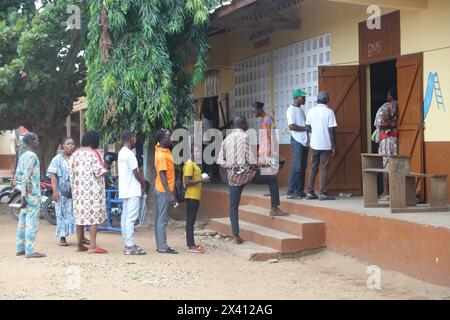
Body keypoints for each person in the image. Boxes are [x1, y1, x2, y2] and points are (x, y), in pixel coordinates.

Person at [217, 116, 287, 245]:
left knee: (233, 206)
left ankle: (236, 236)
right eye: (246, 122)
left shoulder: (226, 139)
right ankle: (274, 208)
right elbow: (252, 161)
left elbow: (220, 160)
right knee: (272, 179)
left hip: (234, 176)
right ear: (243, 124)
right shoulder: (244, 137)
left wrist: (232, 167)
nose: (248, 124)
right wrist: (269, 164)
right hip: (248, 173)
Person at [69, 131, 109, 254]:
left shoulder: (75, 154)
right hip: (93, 192)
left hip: (78, 192)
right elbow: (98, 171)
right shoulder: (95, 153)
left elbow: (70, 173)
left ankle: (80, 245)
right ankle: (92, 246)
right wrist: (106, 171)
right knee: (93, 218)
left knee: (80, 218)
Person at [47, 137, 83, 247]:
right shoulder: (57, 159)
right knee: (61, 214)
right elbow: (53, 175)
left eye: (72, 144)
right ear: (63, 146)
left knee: (76, 215)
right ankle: (62, 237)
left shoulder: (76, 158)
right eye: (68, 144)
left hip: (75, 193)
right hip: (61, 193)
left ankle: (81, 238)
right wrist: (55, 192)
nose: (71, 146)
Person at [15, 132, 45, 258]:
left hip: (25, 193)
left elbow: (18, 176)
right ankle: (30, 250)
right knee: (31, 222)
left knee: (22, 221)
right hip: (32, 194)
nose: (38, 142)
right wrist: (23, 196)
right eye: (36, 140)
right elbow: (26, 177)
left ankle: (20, 248)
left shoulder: (22, 156)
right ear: (30, 142)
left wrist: (22, 194)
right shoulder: (32, 156)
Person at [305, 91, 337, 201]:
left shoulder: (311, 111)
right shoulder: (329, 112)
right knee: (323, 168)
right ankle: (322, 193)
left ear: (317, 99)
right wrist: (333, 146)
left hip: (314, 144)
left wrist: (315, 132)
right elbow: (331, 130)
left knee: (313, 167)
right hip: (326, 145)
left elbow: (307, 127)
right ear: (327, 100)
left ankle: (310, 192)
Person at [118, 130, 146, 255]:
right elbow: (136, 173)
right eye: (134, 137)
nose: (135, 140)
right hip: (133, 190)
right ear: (130, 138)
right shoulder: (129, 154)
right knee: (131, 218)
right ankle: (129, 246)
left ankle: (127, 243)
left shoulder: (121, 152)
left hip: (125, 190)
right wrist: (143, 183)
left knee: (125, 217)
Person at [154, 129, 178, 254]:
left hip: (160, 188)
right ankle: (163, 246)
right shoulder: (162, 155)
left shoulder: (161, 149)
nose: (170, 139)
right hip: (164, 190)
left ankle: (160, 245)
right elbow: (162, 175)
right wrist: (169, 193)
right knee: (162, 219)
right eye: (167, 137)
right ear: (161, 139)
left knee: (159, 218)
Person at [183, 145, 210, 253]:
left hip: (195, 196)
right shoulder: (190, 164)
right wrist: (201, 181)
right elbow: (187, 182)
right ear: (191, 153)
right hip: (191, 196)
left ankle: (191, 244)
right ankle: (191, 245)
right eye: (196, 152)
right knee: (190, 221)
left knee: (191, 220)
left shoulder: (194, 164)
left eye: (200, 152)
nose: (198, 154)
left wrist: (202, 178)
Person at [374, 87, 398, 200]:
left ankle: (386, 192)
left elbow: (380, 122)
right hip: (396, 139)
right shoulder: (400, 105)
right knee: (396, 164)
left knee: (386, 165)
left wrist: (387, 126)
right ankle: (395, 191)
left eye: (388, 94)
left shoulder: (387, 105)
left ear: (390, 95)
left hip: (387, 139)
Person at [286, 89, 310, 199]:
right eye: (303, 97)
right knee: (296, 167)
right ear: (296, 98)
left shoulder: (300, 110)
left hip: (304, 142)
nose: (304, 99)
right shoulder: (290, 110)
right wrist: (305, 128)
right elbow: (291, 126)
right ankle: (291, 192)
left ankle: (299, 190)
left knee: (302, 167)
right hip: (297, 141)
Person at [251, 101, 276, 166]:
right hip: (264, 150)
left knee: (267, 171)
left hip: (268, 150)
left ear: (259, 109)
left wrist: (270, 151)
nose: (254, 114)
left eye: (254, 112)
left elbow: (272, 135)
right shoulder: (263, 119)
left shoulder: (268, 119)